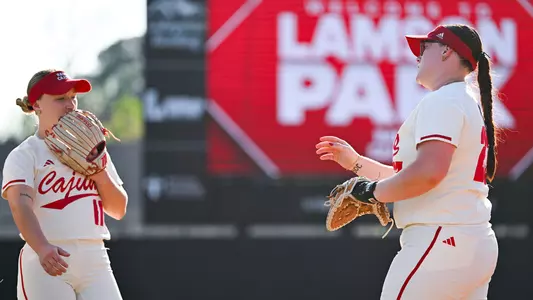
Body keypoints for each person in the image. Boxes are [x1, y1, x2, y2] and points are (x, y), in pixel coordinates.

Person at [315, 24, 499, 299]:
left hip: (439, 240)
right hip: (472, 242)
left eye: (425, 47)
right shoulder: (462, 100)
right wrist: (356, 162)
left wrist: (370, 192)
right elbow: (415, 177)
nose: (418, 55)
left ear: (447, 51)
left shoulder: (444, 100)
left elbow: (428, 175)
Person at [2, 69, 128, 300]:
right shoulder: (26, 154)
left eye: (73, 97)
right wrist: (41, 248)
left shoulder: (94, 149)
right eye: (60, 98)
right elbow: (20, 206)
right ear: (37, 104)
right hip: (48, 258)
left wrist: (99, 173)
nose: (70, 104)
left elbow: (118, 209)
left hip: (95, 258)